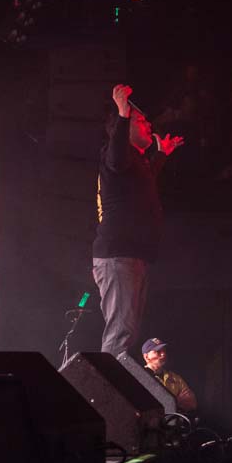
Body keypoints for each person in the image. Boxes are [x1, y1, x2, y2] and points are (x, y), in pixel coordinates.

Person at [93, 85, 183, 356]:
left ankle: (114, 388)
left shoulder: (135, 163)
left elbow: (143, 184)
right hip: (119, 256)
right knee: (120, 331)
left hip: (131, 256)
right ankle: (106, 394)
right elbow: (117, 156)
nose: (148, 125)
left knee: (127, 330)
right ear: (126, 126)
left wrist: (162, 154)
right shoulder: (116, 154)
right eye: (141, 121)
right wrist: (122, 113)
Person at [142, 337, 197, 414]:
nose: (163, 354)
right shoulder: (140, 377)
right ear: (146, 357)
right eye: (158, 351)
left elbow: (192, 403)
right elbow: (144, 409)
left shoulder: (175, 378)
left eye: (164, 350)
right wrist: (176, 402)